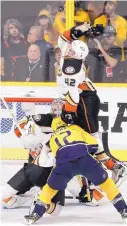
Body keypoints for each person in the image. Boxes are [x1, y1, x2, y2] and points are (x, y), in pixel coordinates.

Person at [56, 22, 126, 187]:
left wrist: (68, 112)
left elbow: (73, 94)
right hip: (81, 98)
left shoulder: (71, 67)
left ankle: (114, 167)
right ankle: (98, 171)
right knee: (83, 137)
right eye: (71, 47)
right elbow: (63, 38)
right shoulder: (68, 51)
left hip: (85, 100)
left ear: (77, 56)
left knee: (91, 137)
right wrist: (80, 29)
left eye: (72, 49)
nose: (68, 49)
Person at [23, 116, 127, 224]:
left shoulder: (52, 138)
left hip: (64, 166)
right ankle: (123, 210)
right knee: (107, 184)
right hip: (85, 161)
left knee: (49, 189)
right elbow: (94, 144)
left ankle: (35, 213)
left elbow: (52, 158)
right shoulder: (75, 128)